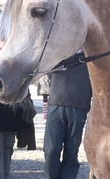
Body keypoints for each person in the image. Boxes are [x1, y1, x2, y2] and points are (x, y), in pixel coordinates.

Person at [0, 40, 29, 179]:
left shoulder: (18, 71)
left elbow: (24, 94)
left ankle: (5, 175)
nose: (4, 50)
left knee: (8, 149)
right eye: (0, 48)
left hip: (11, 118)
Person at [43, 50, 92, 179]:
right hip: (56, 104)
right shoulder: (59, 53)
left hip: (79, 107)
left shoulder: (91, 56)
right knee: (51, 150)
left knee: (71, 152)